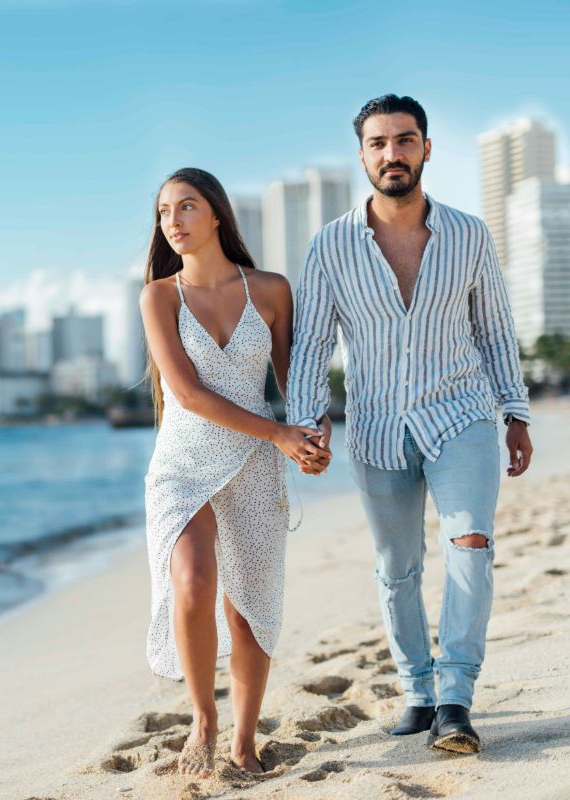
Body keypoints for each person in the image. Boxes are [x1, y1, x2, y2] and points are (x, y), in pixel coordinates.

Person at [287, 95, 533, 755]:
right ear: (362, 154)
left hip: (462, 414)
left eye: (404, 140)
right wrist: (307, 421)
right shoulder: (331, 245)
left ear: (426, 148)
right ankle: (418, 693)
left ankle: (456, 695)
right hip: (374, 425)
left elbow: (495, 331)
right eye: (378, 143)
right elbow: (311, 343)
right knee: (397, 567)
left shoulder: (469, 234)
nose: (392, 153)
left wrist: (516, 412)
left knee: (470, 545)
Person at [140, 167, 330, 776]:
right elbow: (188, 395)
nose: (173, 220)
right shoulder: (159, 296)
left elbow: (295, 382)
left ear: (217, 214)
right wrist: (280, 433)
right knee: (194, 579)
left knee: (248, 604)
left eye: (186, 206)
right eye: (164, 211)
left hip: (253, 463)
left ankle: (243, 741)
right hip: (183, 462)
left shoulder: (270, 290)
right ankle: (204, 718)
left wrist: (312, 437)